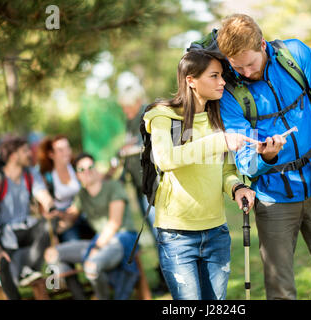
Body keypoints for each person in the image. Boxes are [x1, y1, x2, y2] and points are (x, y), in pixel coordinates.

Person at [214, 14, 311, 300]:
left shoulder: (295, 55)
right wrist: (265, 157)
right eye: (237, 66)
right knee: (281, 293)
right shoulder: (229, 93)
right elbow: (244, 158)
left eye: (250, 63)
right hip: (273, 200)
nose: (245, 72)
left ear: (263, 44)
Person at [143, 49, 258, 300]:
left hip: (216, 232)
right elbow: (166, 159)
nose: (222, 82)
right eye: (214, 76)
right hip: (177, 236)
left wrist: (237, 188)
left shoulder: (217, 119)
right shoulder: (165, 116)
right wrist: (220, 142)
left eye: (222, 76)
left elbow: (226, 171)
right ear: (191, 80)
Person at [44, 153, 140, 300]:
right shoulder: (82, 195)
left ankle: (102, 297)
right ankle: (79, 295)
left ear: (96, 169)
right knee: (53, 254)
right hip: (100, 241)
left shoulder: (113, 186)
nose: (87, 171)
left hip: (121, 239)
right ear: (77, 175)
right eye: (82, 169)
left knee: (91, 267)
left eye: (90, 167)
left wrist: (96, 249)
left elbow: (114, 223)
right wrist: (56, 216)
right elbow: (71, 217)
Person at [107, 76, 168, 294]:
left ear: (135, 103)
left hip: (154, 185)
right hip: (141, 187)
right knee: (155, 233)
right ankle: (165, 276)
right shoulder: (129, 121)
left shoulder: (145, 114)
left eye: (126, 107)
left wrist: (130, 149)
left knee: (162, 233)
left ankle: (170, 277)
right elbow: (127, 150)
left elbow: (150, 145)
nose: (125, 111)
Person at [0, 136, 59, 300]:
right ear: (14, 156)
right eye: (25, 151)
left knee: (50, 223)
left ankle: (28, 269)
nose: (30, 154)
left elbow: (44, 196)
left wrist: (51, 207)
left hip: (27, 228)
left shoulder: (30, 174)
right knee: (0, 263)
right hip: (5, 234)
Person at [38, 135, 95, 242]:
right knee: (73, 243)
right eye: (60, 150)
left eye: (68, 148)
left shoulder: (75, 168)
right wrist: (64, 216)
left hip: (81, 211)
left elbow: (91, 186)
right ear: (51, 154)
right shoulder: (47, 177)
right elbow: (45, 211)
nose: (66, 152)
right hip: (61, 218)